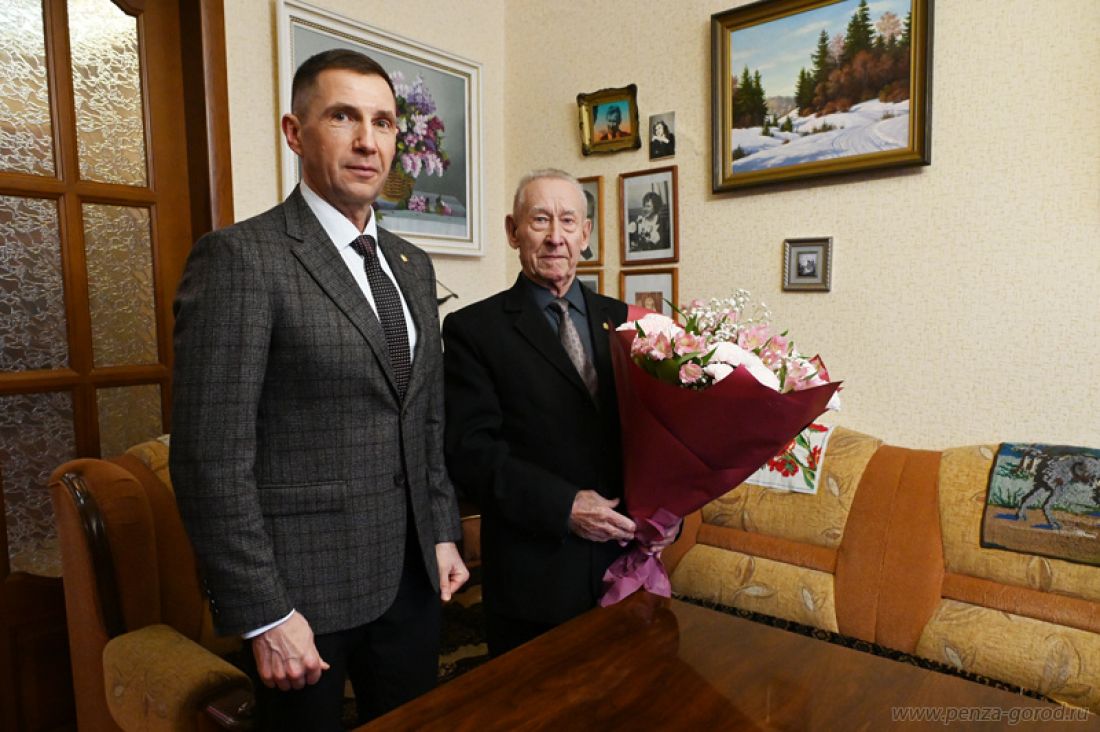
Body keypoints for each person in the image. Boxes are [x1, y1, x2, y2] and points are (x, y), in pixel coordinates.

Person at [170, 49, 468, 730]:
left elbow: (423, 418)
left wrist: (442, 533)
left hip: (413, 580)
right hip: (303, 599)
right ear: (294, 132)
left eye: (383, 122)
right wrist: (263, 613)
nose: (367, 141)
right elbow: (209, 459)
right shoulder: (242, 258)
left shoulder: (412, 265)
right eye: (343, 117)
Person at [442, 169, 676, 658]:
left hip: (627, 564)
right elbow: (471, 453)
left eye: (568, 221)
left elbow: (660, 433)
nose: (555, 237)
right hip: (536, 579)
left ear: (585, 234)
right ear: (512, 231)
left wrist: (669, 508)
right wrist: (564, 506)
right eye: (540, 220)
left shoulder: (629, 321)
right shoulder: (473, 330)